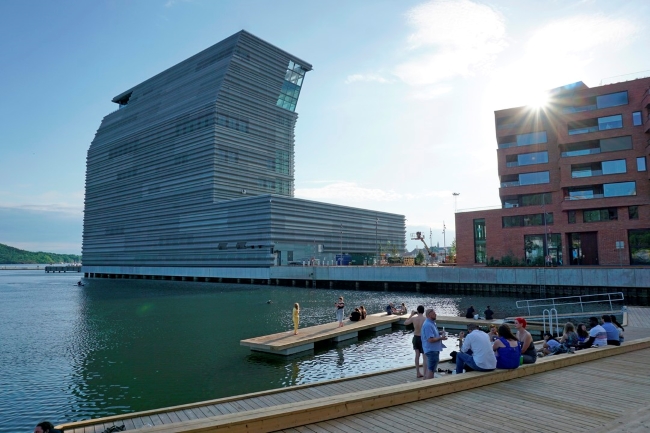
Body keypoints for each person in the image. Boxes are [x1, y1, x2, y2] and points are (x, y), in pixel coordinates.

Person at [421, 308, 447, 379]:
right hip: (431, 350)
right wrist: (441, 338)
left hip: (434, 349)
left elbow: (432, 334)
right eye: (434, 314)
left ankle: (428, 381)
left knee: (431, 368)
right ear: (429, 315)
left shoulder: (432, 323)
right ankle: (430, 384)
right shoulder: (428, 325)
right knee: (431, 370)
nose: (436, 315)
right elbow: (430, 339)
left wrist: (440, 333)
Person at [404, 305, 427, 378]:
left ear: (417, 311)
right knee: (424, 357)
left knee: (417, 356)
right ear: (423, 311)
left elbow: (405, 323)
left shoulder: (414, 318)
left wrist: (411, 315)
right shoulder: (425, 319)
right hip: (423, 338)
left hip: (416, 337)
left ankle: (418, 373)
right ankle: (425, 373)